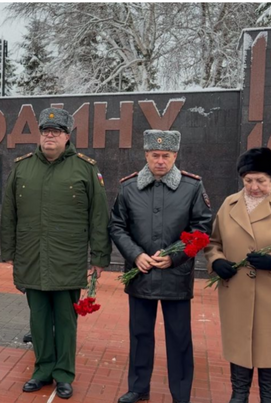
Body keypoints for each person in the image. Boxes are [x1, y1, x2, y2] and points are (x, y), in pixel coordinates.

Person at [0, 107, 111, 399]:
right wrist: (8, 251)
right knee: (38, 319)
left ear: (67, 136)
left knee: (64, 320)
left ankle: (63, 374)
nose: (50, 136)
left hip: (68, 258)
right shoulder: (22, 167)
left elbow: (99, 216)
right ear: (40, 135)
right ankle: (42, 370)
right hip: (31, 256)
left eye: (57, 131)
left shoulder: (85, 168)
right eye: (46, 131)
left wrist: (99, 257)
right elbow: (8, 213)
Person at [109, 130, 212, 403]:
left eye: (166, 155)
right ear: (145, 154)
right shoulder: (129, 187)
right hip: (141, 274)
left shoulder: (192, 187)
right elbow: (118, 227)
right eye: (155, 155)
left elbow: (201, 229)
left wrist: (176, 257)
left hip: (175, 276)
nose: (160, 161)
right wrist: (135, 255)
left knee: (179, 339)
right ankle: (139, 388)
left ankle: (181, 394)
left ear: (175, 155)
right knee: (140, 335)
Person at [205, 147, 271, 403]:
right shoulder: (230, 204)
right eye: (248, 180)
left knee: (270, 348)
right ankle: (238, 395)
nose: (254, 187)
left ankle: (269, 398)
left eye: (260, 181)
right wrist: (217, 261)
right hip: (237, 290)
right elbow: (213, 242)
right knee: (239, 344)